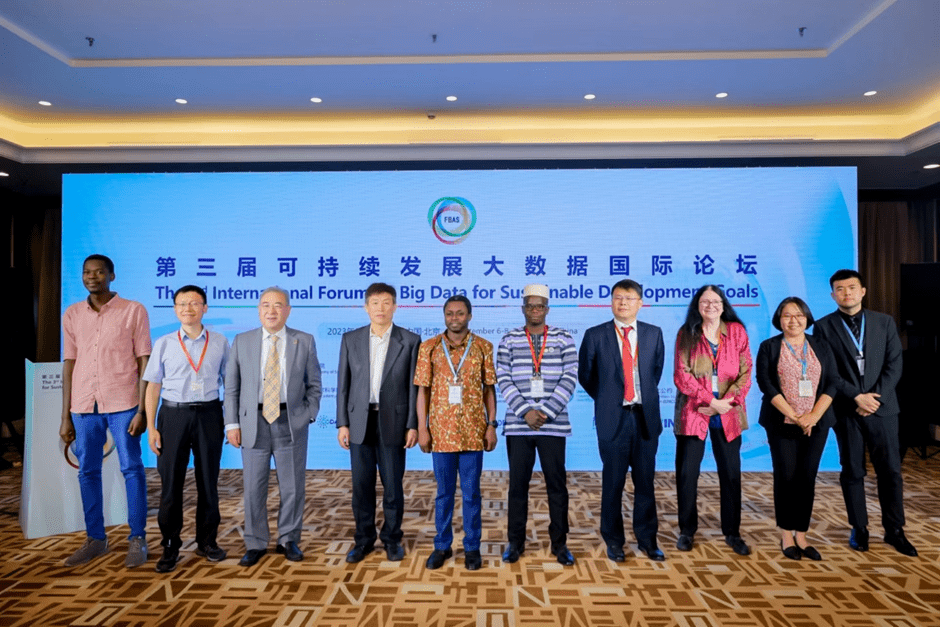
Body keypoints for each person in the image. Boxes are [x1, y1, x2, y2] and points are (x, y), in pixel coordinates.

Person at [813, 269, 917, 556]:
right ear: (833, 295)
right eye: (840, 289)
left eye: (851, 288)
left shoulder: (884, 323)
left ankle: (895, 530)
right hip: (847, 410)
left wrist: (874, 398)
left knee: (891, 471)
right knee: (853, 470)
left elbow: (894, 364)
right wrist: (856, 396)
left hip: (883, 410)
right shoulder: (823, 327)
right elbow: (827, 371)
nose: (846, 293)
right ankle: (859, 528)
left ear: (863, 291)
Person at [60, 254, 152, 568]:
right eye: (87, 272)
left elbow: (144, 360)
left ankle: (137, 538)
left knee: (131, 469)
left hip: (124, 403)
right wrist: (65, 415)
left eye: (99, 272)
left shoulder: (133, 310)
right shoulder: (72, 313)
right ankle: (96, 539)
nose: (92, 277)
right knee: (87, 472)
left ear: (112, 275)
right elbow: (69, 363)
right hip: (84, 405)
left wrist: (142, 409)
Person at [224, 286, 322, 567]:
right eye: (265, 305)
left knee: (292, 487)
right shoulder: (243, 341)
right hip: (252, 423)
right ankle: (255, 543)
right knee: (254, 487)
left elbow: (314, 385)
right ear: (258, 310)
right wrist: (232, 423)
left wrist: (307, 416)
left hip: (290, 423)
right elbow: (231, 388)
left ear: (288, 310)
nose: (271, 310)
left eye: (278, 305)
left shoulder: (303, 341)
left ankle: (288, 539)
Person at [143, 285, 230, 572]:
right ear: (175, 309)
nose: (188, 308)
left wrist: (230, 422)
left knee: (209, 482)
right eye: (182, 303)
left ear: (205, 308)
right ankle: (170, 544)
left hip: (208, 415)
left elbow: (231, 384)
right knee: (171, 485)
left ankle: (207, 541)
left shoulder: (219, 341)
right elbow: (153, 386)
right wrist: (152, 427)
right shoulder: (164, 343)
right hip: (173, 416)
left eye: (194, 303)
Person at [579, 279, 665, 562]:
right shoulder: (595, 335)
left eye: (629, 298)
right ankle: (614, 541)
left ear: (640, 303)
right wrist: (607, 399)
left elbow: (655, 373)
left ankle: (647, 540)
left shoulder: (654, 333)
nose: (623, 303)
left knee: (645, 483)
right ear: (611, 302)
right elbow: (586, 376)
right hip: (613, 420)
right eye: (618, 298)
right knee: (612, 483)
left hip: (644, 419)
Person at [336, 283, 420, 563]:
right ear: (366, 307)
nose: (380, 308)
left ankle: (392, 539)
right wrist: (342, 423)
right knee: (361, 485)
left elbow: (413, 387)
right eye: (375, 303)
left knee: (393, 486)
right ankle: (363, 539)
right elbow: (343, 386)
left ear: (395, 306)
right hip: (360, 421)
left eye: (386, 303)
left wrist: (413, 424)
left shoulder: (409, 340)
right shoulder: (351, 339)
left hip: (394, 422)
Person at [496, 284, 578, 566]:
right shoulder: (508, 339)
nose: (535, 310)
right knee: (517, 486)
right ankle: (515, 543)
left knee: (557, 486)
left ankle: (560, 544)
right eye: (530, 306)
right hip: (519, 427)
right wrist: (525, 412)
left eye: (540, 305)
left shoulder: (564, 338)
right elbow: (503, 379)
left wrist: (543, 412)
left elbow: (570, 378)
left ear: (547, 309)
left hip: (553, 426)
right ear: (523, 309)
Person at [415, 295, 498, 571]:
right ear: (444, 316)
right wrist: (423, 428)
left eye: (460, 314)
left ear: (469, 316)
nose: (454, 318)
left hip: (474, 433)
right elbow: (422, 391)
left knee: (472, 493)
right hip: (440, 433)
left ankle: (472, 547)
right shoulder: (429, 348)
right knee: (443, 494)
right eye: (449, 314)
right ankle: (442, 546)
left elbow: (489, 389)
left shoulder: (484, 347)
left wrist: (491, 425)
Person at [673, 284, 752, 556]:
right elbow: (682, 375)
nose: (711, 306)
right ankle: (686, 531)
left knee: (730, 474)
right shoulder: (687, 334)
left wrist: (724, 404)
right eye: (705, 302)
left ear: (723, 304)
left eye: (716, 301)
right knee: (687, 474)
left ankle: (732, 532)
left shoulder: (737, 332)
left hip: (728, 413)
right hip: (695, 412)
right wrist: (709, 401)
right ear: (697, 305)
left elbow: (745, 372)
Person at [756, 297, 837, 561]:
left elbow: (833, 383)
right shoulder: (769, 347)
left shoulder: (821, 345)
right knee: (786, 477)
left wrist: (813, 416)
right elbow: (766, 383)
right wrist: (794, 415)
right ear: (779, 320)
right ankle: (786, 534)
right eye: (787, 315)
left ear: (807, 317)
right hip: (782, 423)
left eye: (799, 315)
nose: (793, 320)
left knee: (807, 478)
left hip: (816, 423)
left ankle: (801, 533)